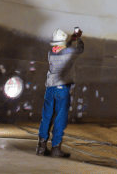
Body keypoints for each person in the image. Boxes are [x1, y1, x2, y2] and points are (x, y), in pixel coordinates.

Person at [36, 27, 84, 158]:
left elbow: (62, 47)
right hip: (62, 89)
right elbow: (80, 49)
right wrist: (78, 38)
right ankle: (56, 148)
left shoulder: (51, 53)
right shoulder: (68, 52)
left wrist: (70, 40)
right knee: (60, 118)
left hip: (49, 88)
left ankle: (41, 147)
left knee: (46, 117)